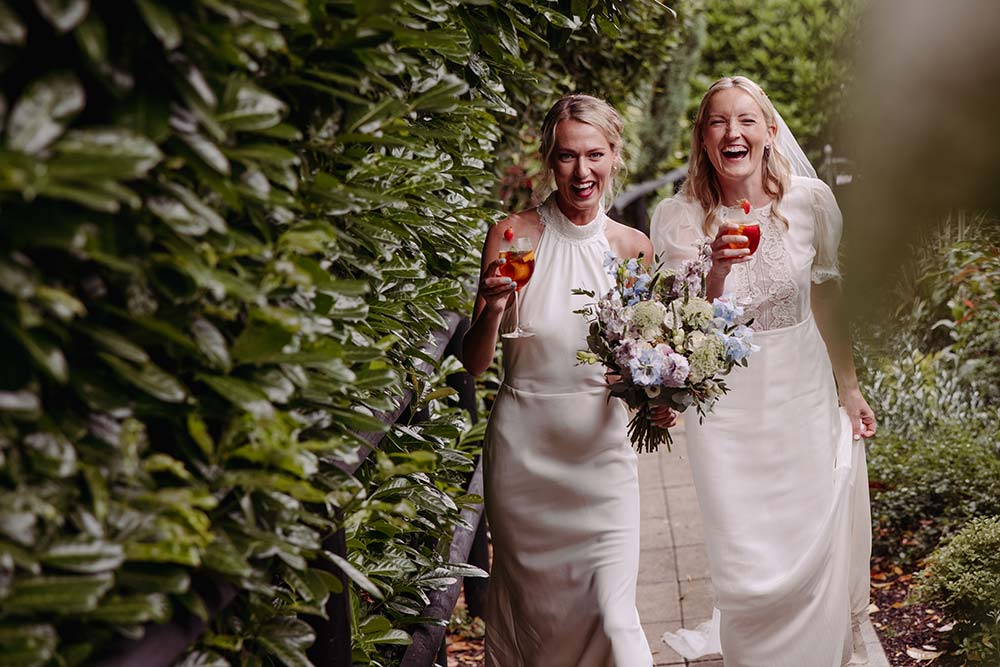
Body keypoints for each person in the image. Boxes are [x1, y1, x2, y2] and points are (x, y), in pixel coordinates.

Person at [649, 76, 876, 666]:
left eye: (747, 119)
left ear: (770, 132)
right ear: (702, 138)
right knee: (745, 558)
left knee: (810, 532)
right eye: (719, 122)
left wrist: (848, 390)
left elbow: (827, 298)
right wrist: (716, 271)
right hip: (724, 406)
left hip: (800, 390)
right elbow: (680, 324)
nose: (734, 132)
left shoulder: (812, 203)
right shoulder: (677, 218)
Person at [462, 94, 655, 667]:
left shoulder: (633, 250)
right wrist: (494, 309)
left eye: (594, 155)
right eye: (567, 157)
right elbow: (474, 365)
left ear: (614, 157)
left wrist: (660, 401)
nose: (581, 171)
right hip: (526, 457)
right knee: (538, 627)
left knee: (615, 618)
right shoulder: (511, 236)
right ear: (550, 160)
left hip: (603, 456)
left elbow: (644, 361)